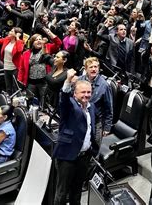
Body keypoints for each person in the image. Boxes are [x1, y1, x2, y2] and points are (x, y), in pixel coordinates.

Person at [53, 72, 98, 205]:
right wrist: (67, 80)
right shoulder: (70, 105)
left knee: (77, 191)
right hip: (68, 157)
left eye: (89, 92)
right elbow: (64, 98)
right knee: (61, 193)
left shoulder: (92, 107)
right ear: (75, 94)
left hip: (83, 157)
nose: (86, 95)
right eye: (83, 92)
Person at [17, 28, 61, 106]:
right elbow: (22, 68)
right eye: (36, 39)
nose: (38, 41)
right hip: (31, 82)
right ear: (32, 42)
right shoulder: (26, 53)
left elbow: (58, 43)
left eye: (40, 39)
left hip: (44, 82)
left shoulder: (47, 48)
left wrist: (50, 33)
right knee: (31, 102)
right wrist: (20, 81)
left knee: (44, 101)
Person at [77, 57, 113, 148]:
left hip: (96, 122)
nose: (94, 69)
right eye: (91, 67)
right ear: (85, 69)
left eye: (96, 67)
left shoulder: (104, 85)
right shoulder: (79, 81)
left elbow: (108, 107)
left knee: (94, 147)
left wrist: (107, 127)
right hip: (80, 118)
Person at [0, 26, 24, 95]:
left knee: (16, 88)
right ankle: (9, 103)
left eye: (12, 31)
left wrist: (17, 38)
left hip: (15, 68)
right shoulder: (7, 39)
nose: (9, 32)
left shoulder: (20, 42)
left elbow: (19, 50)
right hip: (6, 67)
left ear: (17, 34)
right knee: (8, 87)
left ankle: (17, 103)